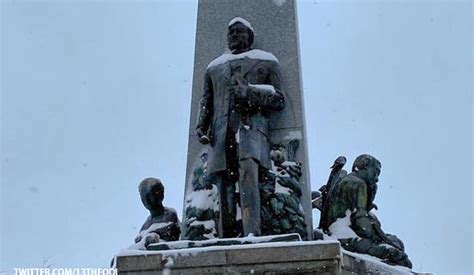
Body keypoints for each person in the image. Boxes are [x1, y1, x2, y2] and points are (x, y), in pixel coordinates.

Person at [196, 17, 285, 237]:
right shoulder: (214, 67)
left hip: (251, 133)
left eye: (239, 32)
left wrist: (250, 92)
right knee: (224, 187)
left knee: (248, 181)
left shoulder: (266, 61)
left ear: (250, 36)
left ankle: (251, 233)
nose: (234, 35)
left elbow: (279, 99)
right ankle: (225, 235)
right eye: (231, 32)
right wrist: (201, 125)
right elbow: (206, 99)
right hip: (221, 133)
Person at [322, 154, 412, 268]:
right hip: (346, 238)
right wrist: (380, 237)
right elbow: (362, 225)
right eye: (375, 172)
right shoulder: (359, 184)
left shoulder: (346, 180)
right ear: (364, 166)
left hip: (338, 233)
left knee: (394, 243)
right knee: (397, 255)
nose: (377, 178)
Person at [134, 178, 180, 248]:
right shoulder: (145, 225)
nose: (146, 200)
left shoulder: (170, 215)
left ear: (160, 195)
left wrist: (152, 237)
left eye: (150, 195)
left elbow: (170, 238)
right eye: (143, 197)